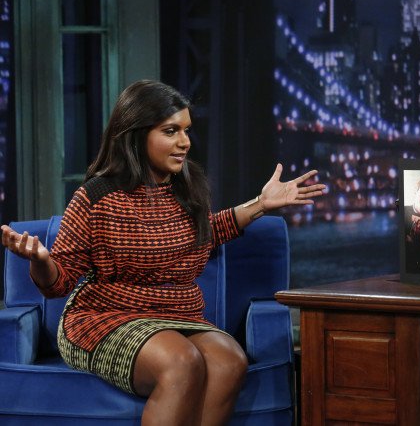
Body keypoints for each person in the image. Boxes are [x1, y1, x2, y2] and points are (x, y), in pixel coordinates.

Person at [0, 80, 327, 425]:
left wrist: (261, 204)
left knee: (230, 361)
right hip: (106, 317)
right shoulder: (96, 197)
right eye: (170, 131)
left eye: (186, 130)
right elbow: (59, 283)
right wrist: (41, 260)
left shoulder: (187, 186)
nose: (184, 142)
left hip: (178, 314)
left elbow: (207, 233)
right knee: (181, 362)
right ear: (136, 134)